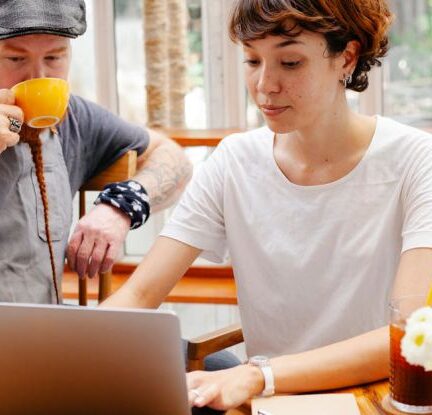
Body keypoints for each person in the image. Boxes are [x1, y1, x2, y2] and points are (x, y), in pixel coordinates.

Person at [103, 0, 432, 411]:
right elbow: (139, 296)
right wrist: (61, 355)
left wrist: (261, 375)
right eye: (252, 60)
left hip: (379, 400)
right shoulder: (233, 161)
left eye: (290, 63)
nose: (265, 84)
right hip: (269, 402)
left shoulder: (417, 160)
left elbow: (411, 332)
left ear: (346, 57)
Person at [0, 0, 192, 304]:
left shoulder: (74, 120)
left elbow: (173, 158)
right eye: (14, 57)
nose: (36, 75)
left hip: (38, 340)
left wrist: (121, 207)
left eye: (54, 56)